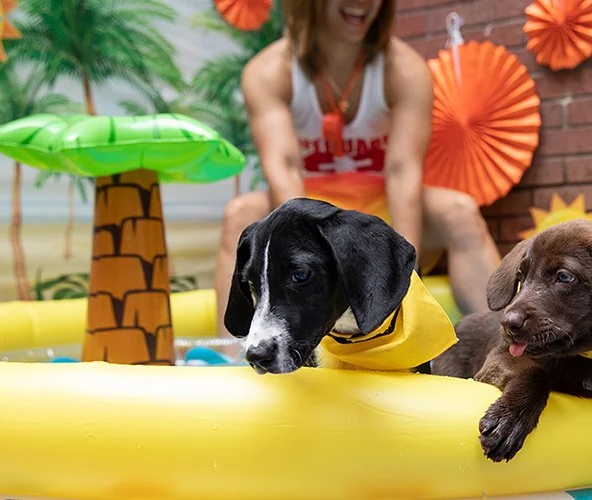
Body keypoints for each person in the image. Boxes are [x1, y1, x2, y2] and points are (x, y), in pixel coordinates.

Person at [214, 0, 501, 338]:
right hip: (311, 198)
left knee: (460, 211)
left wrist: (402, 277)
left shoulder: (404, 69)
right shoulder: (269, 72)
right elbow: (285, 167)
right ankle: (230, 355)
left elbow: (403, 170)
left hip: (381, 203)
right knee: (240, 213)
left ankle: (504, 340)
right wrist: (309, 251)